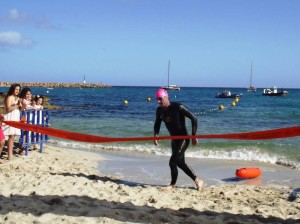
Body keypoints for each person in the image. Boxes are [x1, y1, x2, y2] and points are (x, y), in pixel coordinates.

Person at [153, 88, 203, 191]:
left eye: (160, 99)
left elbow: (194, 118)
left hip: (183, 139)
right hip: (174, 140)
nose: (158, 102)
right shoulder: (159, 110)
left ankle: (172, 185)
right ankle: (197, 180)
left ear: (166, 97)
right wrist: (156, 135)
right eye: (157, 99)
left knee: (172, 162)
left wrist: (194, 135)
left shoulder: (178, 107)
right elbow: (157, 123)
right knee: (180, 163)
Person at [3, 83, 22, 160]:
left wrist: (21, 105)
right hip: (10, 117)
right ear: (13, 89)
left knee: (13, 136)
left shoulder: (17, 98)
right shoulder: (9, 97)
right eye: (16, 89)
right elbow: (8, 108)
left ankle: (10, 154)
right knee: (9, 136)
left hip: (16, 117)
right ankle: (9, 155)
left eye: (18, 89)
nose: (17, 91)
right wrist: (17, 105)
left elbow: (19, 110)